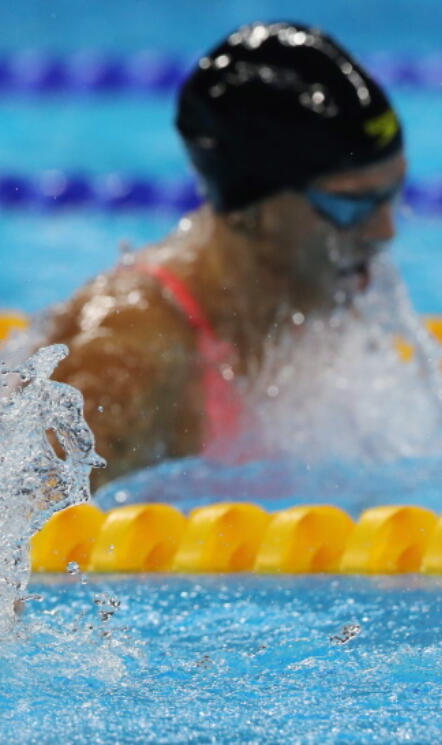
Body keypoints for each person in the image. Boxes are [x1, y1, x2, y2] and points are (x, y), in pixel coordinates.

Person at [41, 22, 407, 487]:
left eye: (393, 196)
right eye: (351, 205)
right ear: (250, 211)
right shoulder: (134, 349)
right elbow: (43, 547)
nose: (384, 231)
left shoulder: (306, 299)